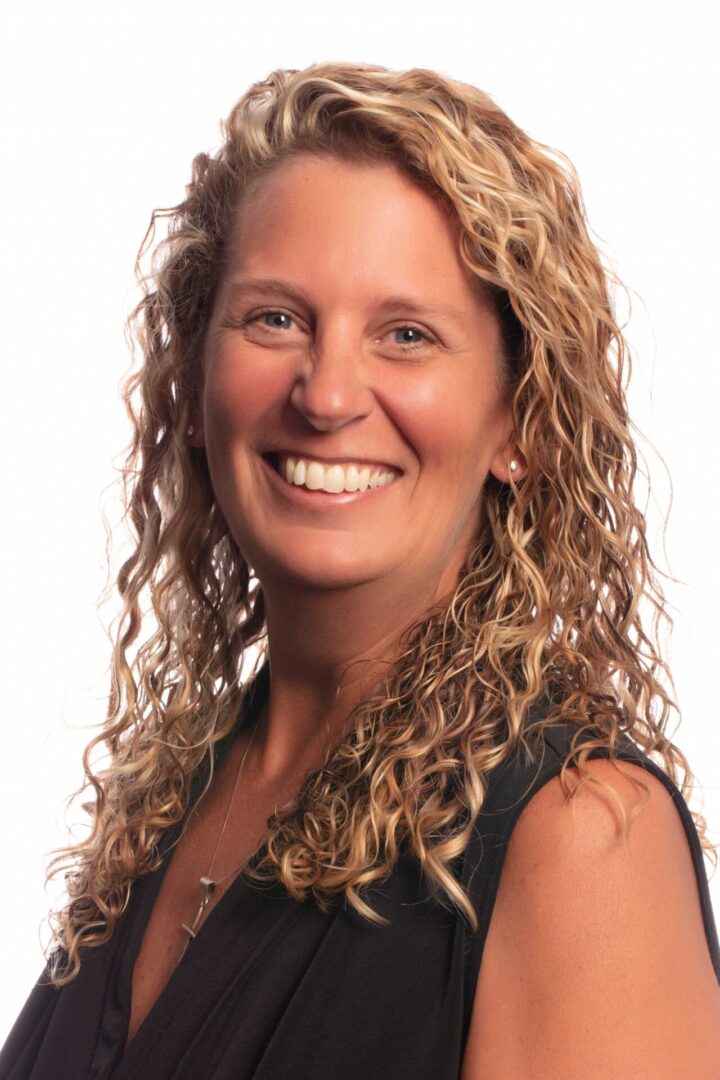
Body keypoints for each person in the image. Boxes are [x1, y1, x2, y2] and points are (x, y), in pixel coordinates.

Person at [1, 59, 719, 1080]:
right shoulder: (171, 803)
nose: (329, 392)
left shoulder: (578, 841)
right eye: (276, 319)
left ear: (517, 424)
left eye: (408, 335)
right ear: (195, 378)